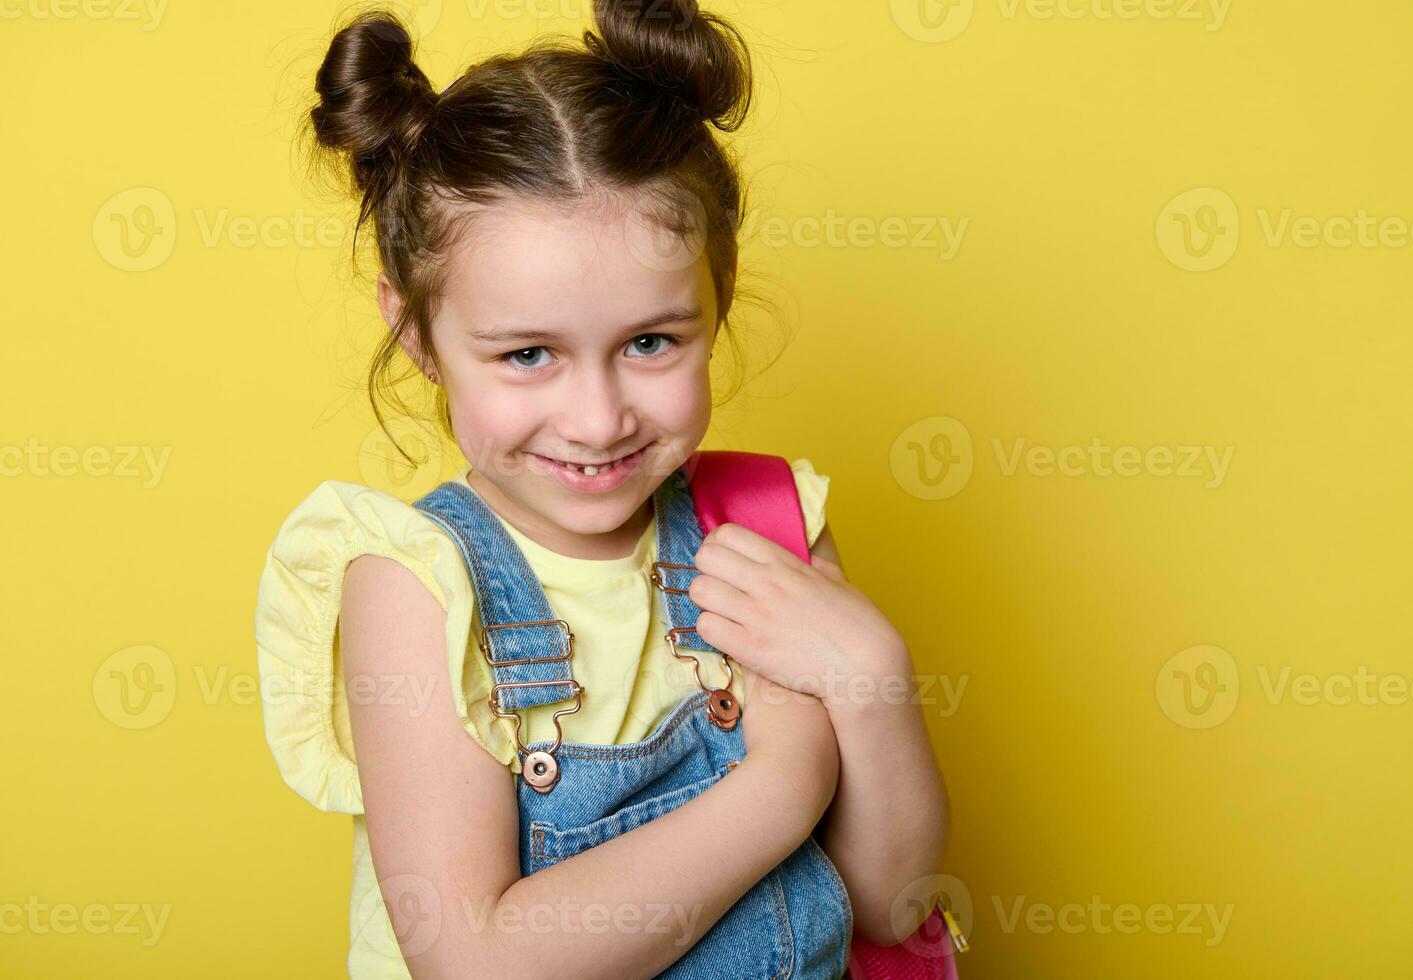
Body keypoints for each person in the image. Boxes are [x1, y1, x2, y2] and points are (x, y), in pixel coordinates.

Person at [254, 3, 950, 976]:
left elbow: (890, 903)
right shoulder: (415, 584)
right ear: (416, 333)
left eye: (651, 342)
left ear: (720, 293)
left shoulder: (763, 523)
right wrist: (784, 783)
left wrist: (871, 675)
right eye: (528, 353)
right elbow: (481, 960)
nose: (598, 417)